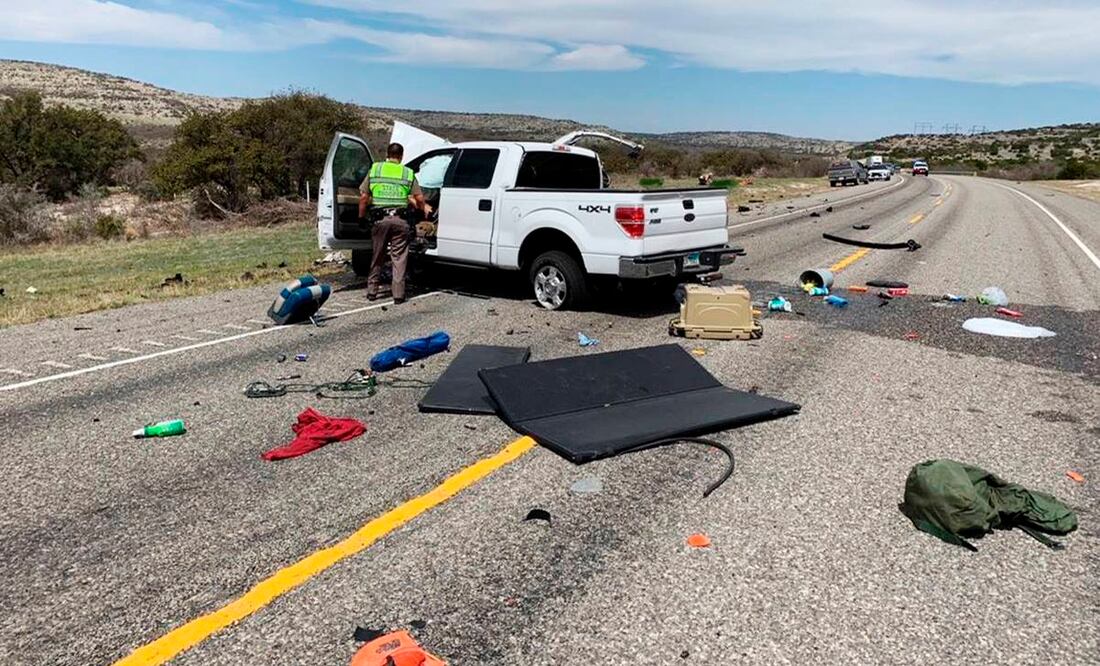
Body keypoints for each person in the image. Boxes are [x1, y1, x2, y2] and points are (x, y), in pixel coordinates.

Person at [358, 142, 432, 304]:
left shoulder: (376, 169)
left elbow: (363, 197)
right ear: (401, 156)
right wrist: (421, 212)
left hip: (380, 220)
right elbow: (419, 198)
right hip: (401, 221)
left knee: (377, 256)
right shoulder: (407, 173)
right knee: (399, 258)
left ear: (387, 154)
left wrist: (361, 217)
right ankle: (398, 295)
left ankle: (372, 291)